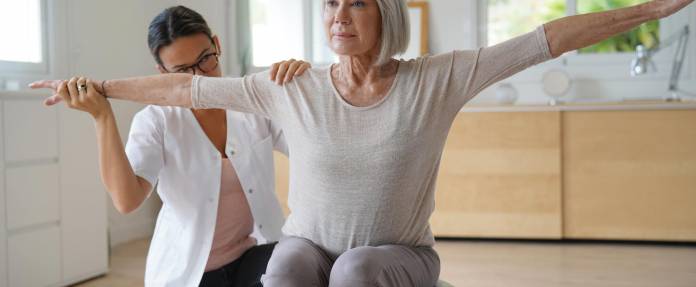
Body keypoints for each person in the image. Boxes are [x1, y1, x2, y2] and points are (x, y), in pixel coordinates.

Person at [32, 0, 694, 286]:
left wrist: (646, 12)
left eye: (358, 3)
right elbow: (181, 93)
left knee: (353, 271)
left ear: (388, 15)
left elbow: (544, 40)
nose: (340, 15)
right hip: (293, 251)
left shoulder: (438, 79)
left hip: (391, 256)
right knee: (287, 265)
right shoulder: (290, 86)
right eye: (330, 4)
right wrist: (95, 90)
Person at [34, 6, 309, 287]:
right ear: (162, 73)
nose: (199, 76)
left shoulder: (251, 104)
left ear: (217, 45)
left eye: (206, 60)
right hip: (191, 271)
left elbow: (312, 147)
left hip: (255, 254)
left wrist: (306, 89)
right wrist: (102, 116)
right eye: (182, 72)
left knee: (300, 269)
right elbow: (127, 200)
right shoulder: (156, 121)